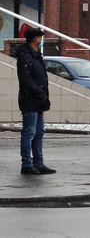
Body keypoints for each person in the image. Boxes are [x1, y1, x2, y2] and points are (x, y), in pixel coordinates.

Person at [15, 26, 54, 175]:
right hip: (30, 100)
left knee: (39, 132)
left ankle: (38, 162)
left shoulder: (36, 55)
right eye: (40, 38)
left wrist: (42, 95)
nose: (42, 40)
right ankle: (27, 163)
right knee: (29, 132)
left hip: (38, 100)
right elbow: (26, 80)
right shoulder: (26, 56)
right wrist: (38, 92)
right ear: (36, 39)